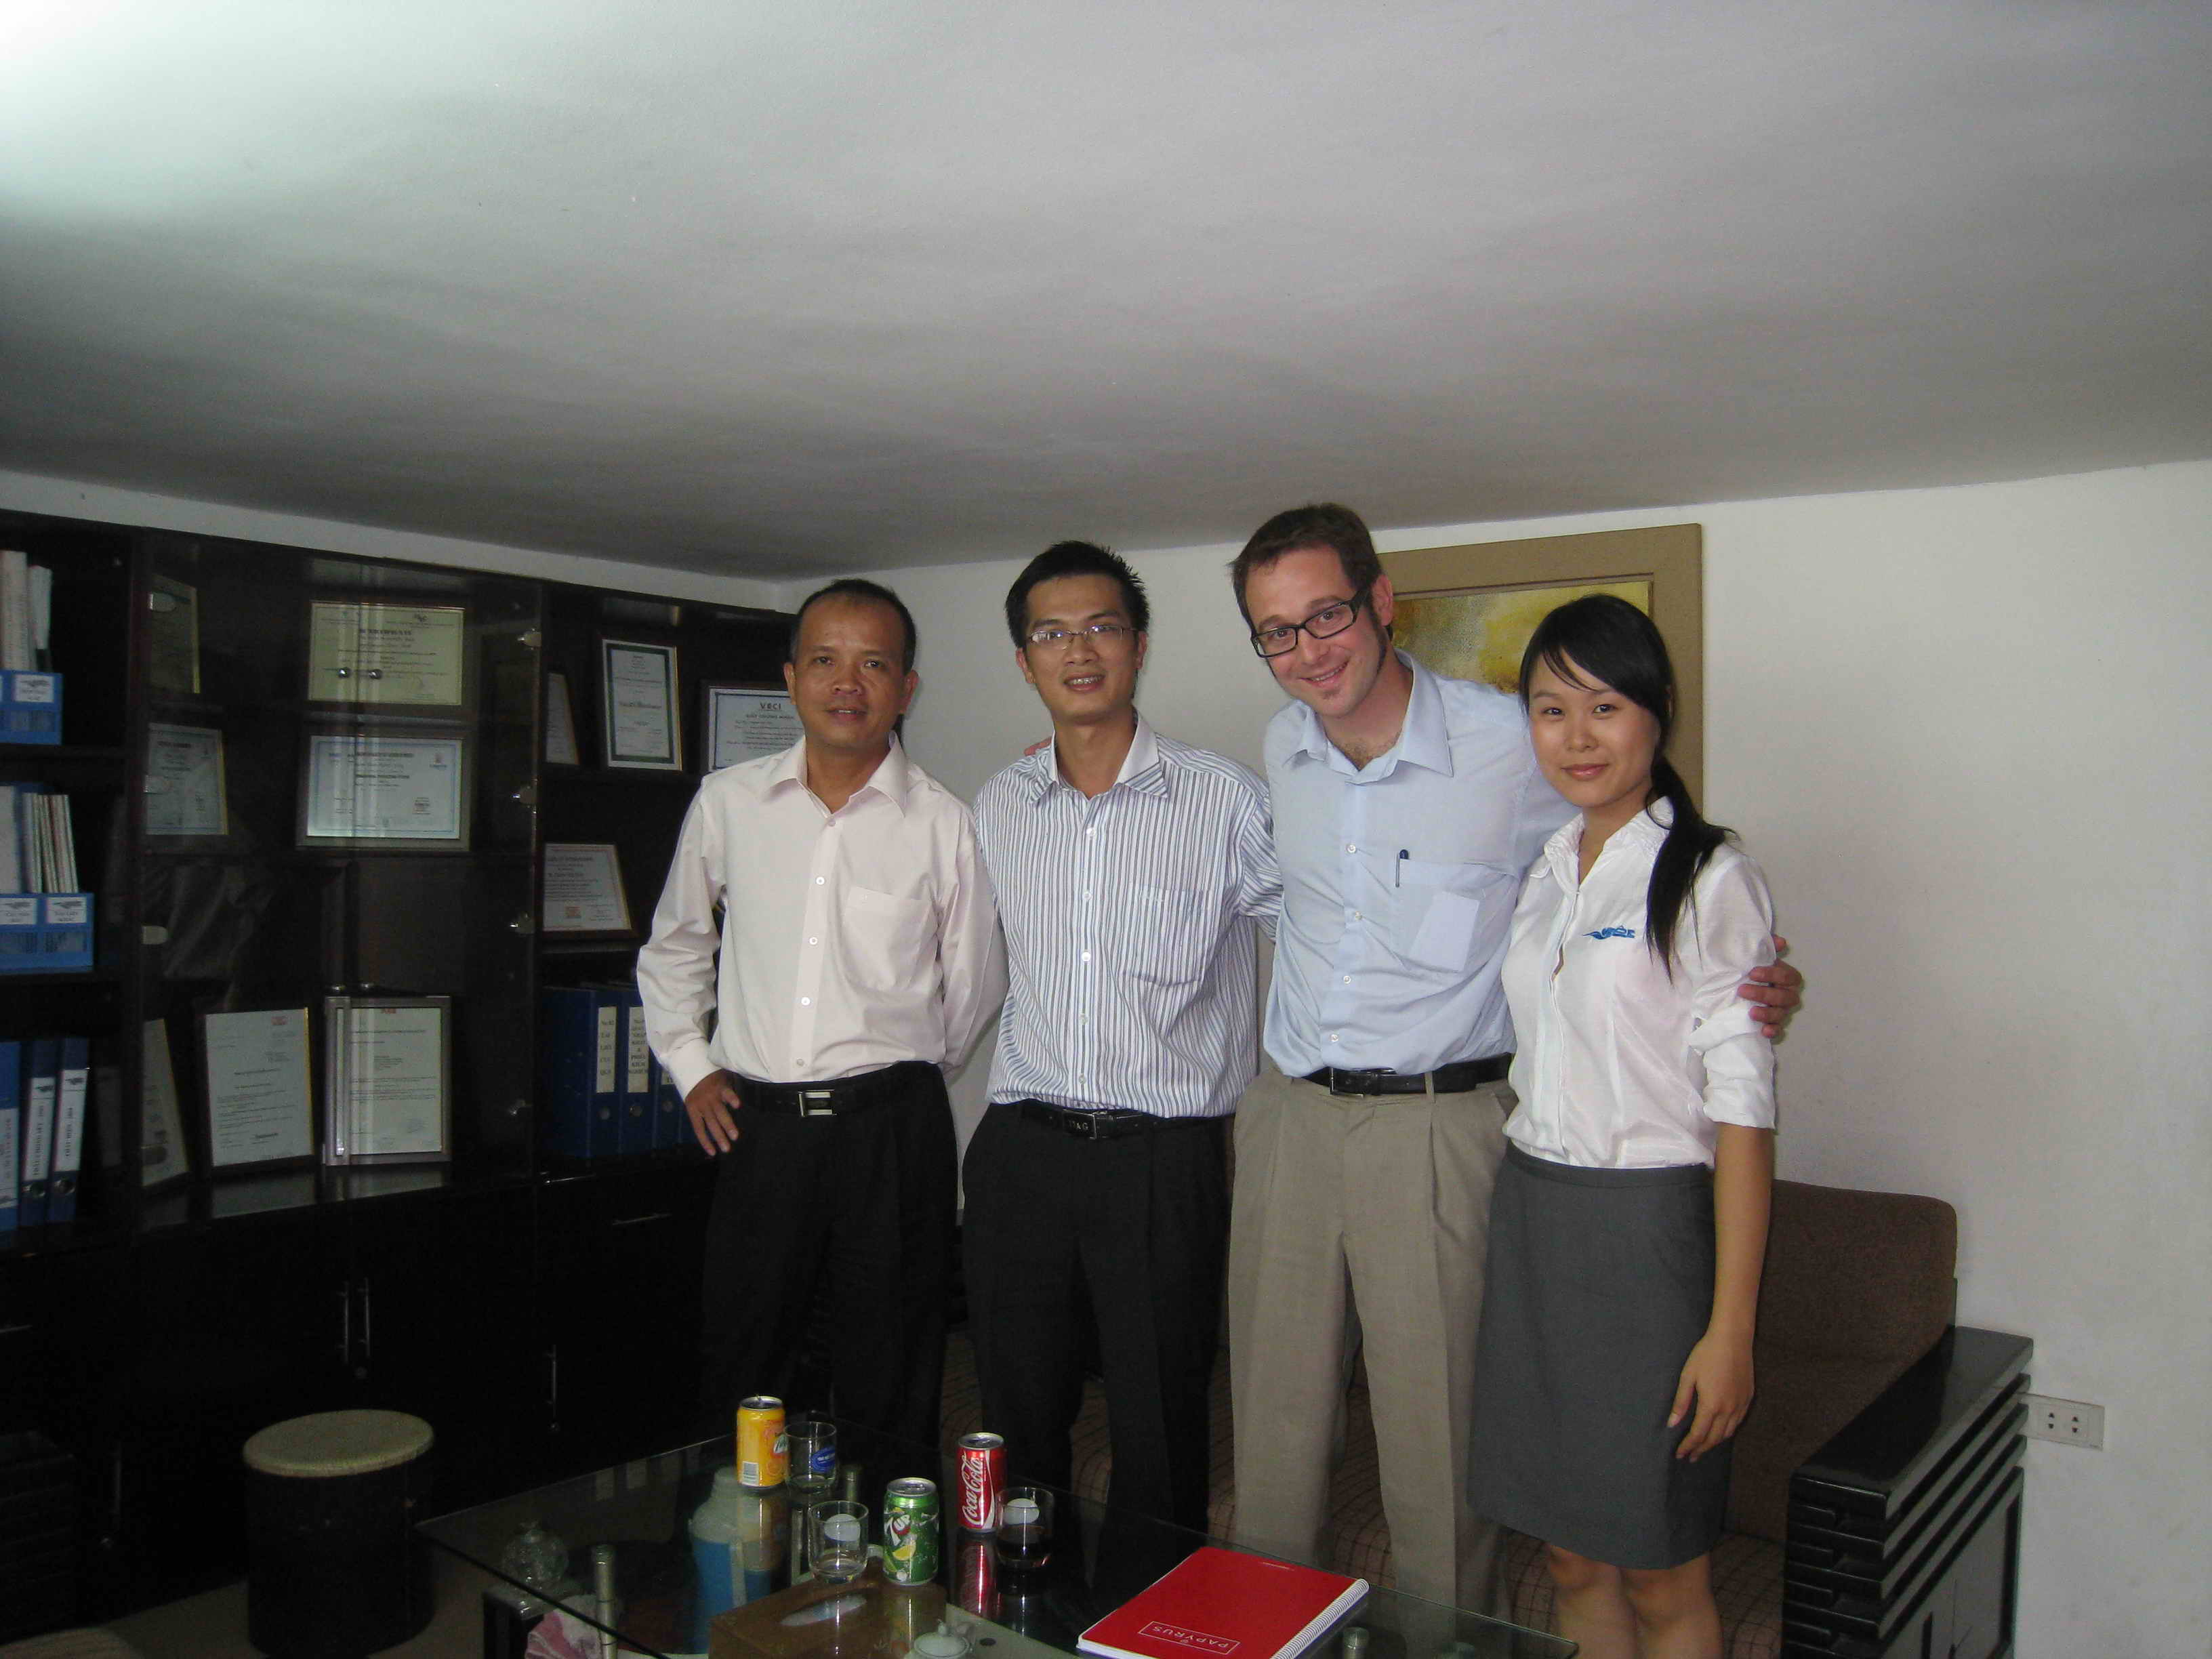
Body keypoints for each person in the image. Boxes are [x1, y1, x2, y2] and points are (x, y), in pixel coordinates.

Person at [1222, 504, 1801, 1609]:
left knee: (1435, 1451)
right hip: (1288, 1114)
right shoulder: (1279, 749)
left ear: (1379, 601)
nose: (1307, 650)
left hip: (1439, 1125)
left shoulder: (1511, 741)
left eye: (1326, 614)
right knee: (1271, 1436)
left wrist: (1755, 975)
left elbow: (1648, 860)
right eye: (1276, 632)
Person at [1465, 594, 1775, 1658]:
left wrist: (1730, 1333)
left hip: (1650, 1245)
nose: (1578, 737)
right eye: (1552, 710)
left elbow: (1744, 1119)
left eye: (1605, 706)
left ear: (1657, 712)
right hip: (1534, 1225)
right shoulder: (1546, 872)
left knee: (1659, 1565)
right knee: (1568, 1556)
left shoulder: (1710, 875)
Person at [636, 577, 1005, 1446]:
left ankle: (886, 1535)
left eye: (874, 664)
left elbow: (974, 984)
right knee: (743, 1363)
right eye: (826, 661)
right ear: (791, 678)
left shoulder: (943, 824)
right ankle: (739, 1534)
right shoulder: (728, 802)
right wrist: (692, 1065)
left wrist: (896, 1077)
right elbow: (676, 946)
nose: (848, 684)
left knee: (893, 1370)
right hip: (758, 1128)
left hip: (892, 1136)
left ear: (906, 687)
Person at [964, 541, 1279, 1532]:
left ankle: (1154, 1612)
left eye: (1102, 627)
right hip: (1021, 1151)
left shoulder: (1224, 799)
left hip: (1161, 1158)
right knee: (1016, 1415)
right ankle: (1023, 1604)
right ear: (1025, 662)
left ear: (1139, 645)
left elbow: (1323, 943)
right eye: (1051, 634)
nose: (1079, 650)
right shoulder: (1000, 804)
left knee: (1161, 1421)